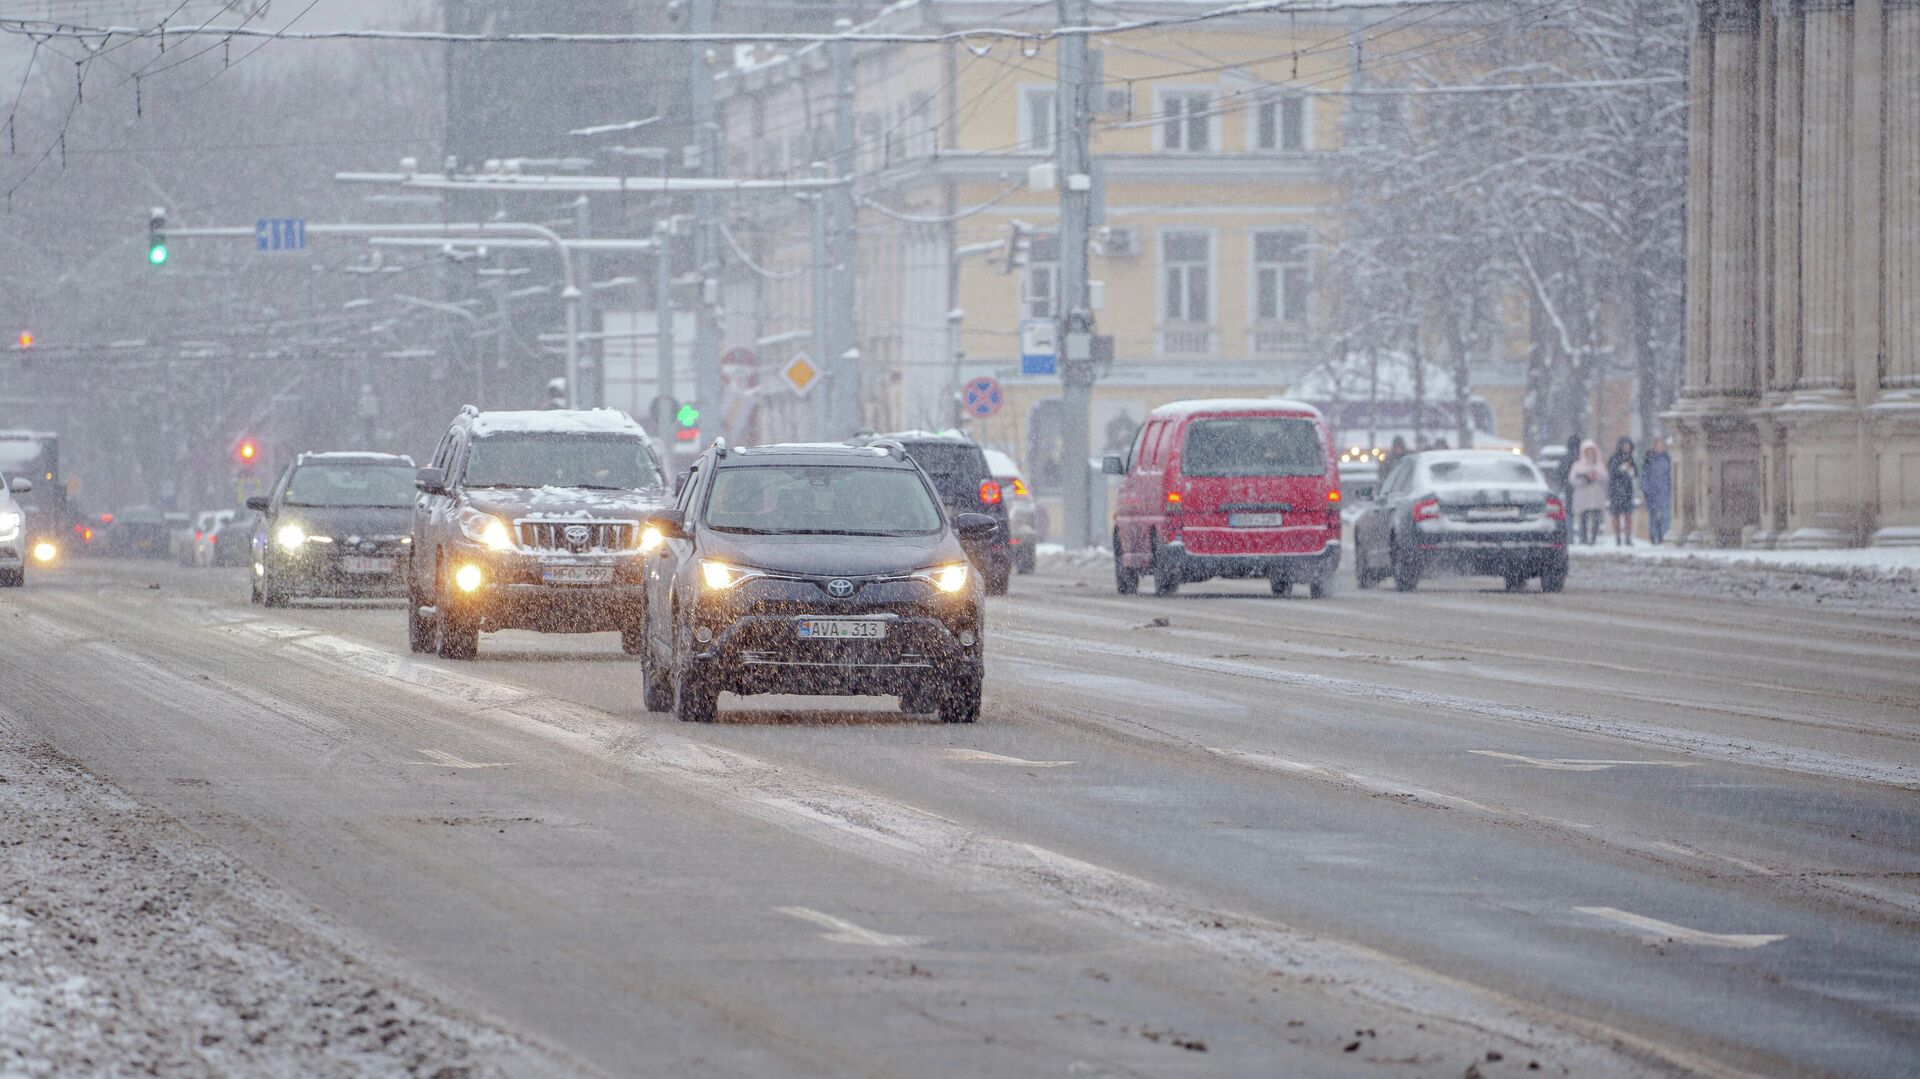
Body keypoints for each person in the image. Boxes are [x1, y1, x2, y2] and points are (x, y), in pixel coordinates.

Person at [1568, 440, 1607, 546]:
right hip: (1583, 497)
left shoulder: (1599, 465)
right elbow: (1572, 480)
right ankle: (1583, 539)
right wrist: (1584, 479)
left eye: (1592, 451)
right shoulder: (1577, 465)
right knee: (1583, 520)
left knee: (1595, 520)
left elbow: (1605, 478)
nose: (1590, 454)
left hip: (1596, 497)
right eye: (1587, 452)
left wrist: (1596, 476)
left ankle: (1593, 539)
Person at [1607, 435, 1639, 546]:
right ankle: (1617, 538)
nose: (1627, 448)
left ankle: (1627, 537)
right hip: (1616, 491)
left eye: (1628, 445)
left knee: (1628, 516)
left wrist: (1630, 472)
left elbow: (1635, 473)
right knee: (1616, 516)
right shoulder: (1614, 458)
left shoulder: (1631, 459)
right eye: (1625, 445)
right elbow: (1612, 472)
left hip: (1627, 492)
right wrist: (1623, 470)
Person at [1641, 436, 1673, 545]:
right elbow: (1645, 476)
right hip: (1653, 493)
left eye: (1662, 445)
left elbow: (1670, 476)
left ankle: (1664, 536)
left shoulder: (1667, 459)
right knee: (1653, 517)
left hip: (1665, 492)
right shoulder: (1649, 460)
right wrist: (1646, 490)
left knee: (1665, 516)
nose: (1660, 447)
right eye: (1658, 445)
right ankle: (1653, 537)